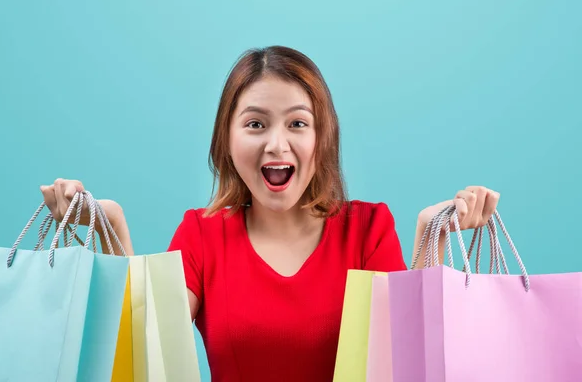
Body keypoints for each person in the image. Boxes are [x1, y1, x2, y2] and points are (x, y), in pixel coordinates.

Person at [40, 45, 500, 382]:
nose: (276, 144)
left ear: (323, 137)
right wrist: (111, 225)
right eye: (255, 123)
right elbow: (148, 355)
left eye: (298, 123)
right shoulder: (202, 235)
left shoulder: (367, 228)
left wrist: (431, 237)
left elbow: (407, 364)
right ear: (227, 138)